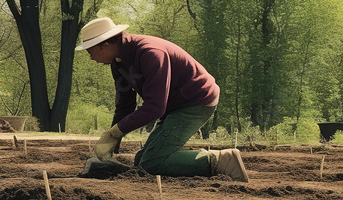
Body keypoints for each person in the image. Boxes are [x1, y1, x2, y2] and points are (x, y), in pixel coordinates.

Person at [76, 17, 248, 182]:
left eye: (90, 51)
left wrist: (115, 132)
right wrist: (114, 141)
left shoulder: (150, 53)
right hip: (176, 106)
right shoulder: (118, 63)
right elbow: (125, 105)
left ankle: (221, 160)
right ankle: (193, 159)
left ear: (105, 45)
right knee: (142, 159)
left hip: (196, 101)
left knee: (153, 163)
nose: (90, 57)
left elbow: (155, 108)